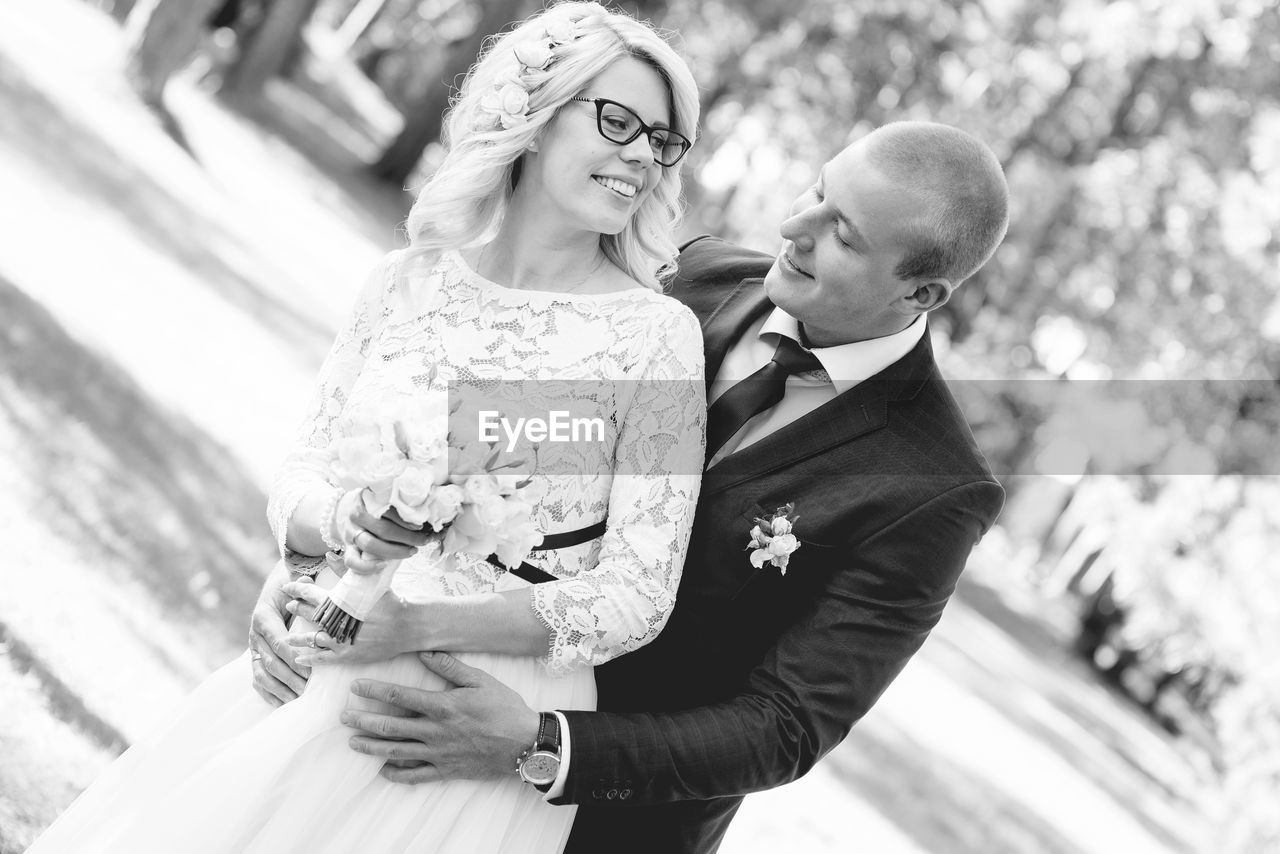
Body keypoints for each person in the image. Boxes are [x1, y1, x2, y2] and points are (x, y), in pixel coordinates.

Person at [28, 4, 703, 853]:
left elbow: (636, 596)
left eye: (664, 141)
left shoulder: (655, 337)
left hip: (469, 712)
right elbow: (305, 474)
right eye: (617, 121)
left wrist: (415, 629)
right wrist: (320, 549)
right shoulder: (406, 282)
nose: (643, 155)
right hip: (319, 650)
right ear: (534, 118)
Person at [268, 120, 1012, 853]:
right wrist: (317, 581)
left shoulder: (936, 488)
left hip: (614, 826)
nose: (794, 225)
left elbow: (786, 726)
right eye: (816, 192)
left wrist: (540, 744)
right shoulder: (686, 281)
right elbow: (458, 458)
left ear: (921, 293)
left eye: (844, 235)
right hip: (410, 718)